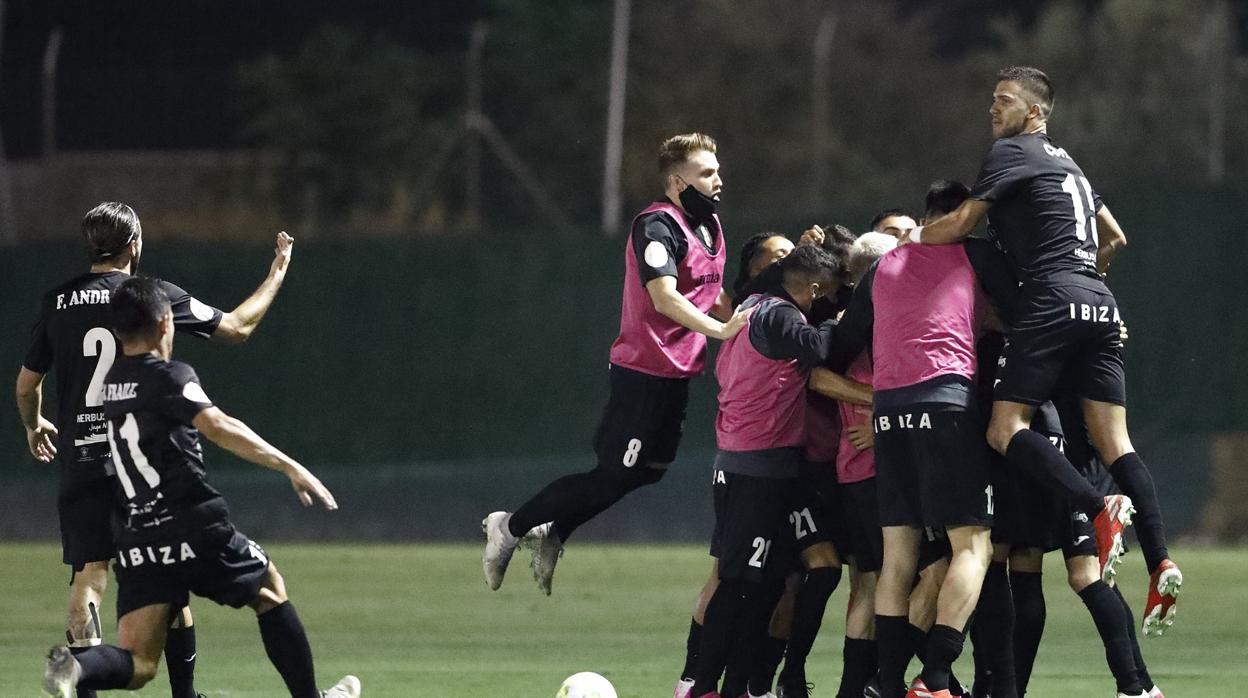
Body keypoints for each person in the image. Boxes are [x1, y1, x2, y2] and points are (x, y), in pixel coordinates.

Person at [902, 65, 1180, 636]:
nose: (993, 111)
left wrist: (907, 241)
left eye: (1003, 101)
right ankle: (1161, 558)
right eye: (993, 101)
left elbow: (959, 223)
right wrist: (1087, 289)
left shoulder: (1012, 153)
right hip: (1100, 302)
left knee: (1005, 428)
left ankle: (1098, 507)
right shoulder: (1070, 165)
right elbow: (1115, 238)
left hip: (1051, 298)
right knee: (1115, 442)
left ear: (1035, 113)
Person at [16, 202, 295, 698]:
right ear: (134, 245)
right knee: (168, 571)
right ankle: (185, 695)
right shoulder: (149, 296)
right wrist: (276, 274)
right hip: (141, 461)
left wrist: (34, 423)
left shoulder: (56, 300)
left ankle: (79, 682)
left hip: (82, 457)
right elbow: (236, 328)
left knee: (89, 575)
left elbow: (25, 385)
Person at [40, 276, 358, 698]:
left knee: (139, 663)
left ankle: (77, 666)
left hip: (139, 538)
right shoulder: (169, 376)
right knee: (269, 590)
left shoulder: (111, 386)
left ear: (118, 332)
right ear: (165, 323)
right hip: (192, 524)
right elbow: (218, 425)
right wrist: (288, 465)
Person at [483, 133, 751, 595]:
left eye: (717, 170)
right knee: (614, 472)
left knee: (647, 472)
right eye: (706, 173)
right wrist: (722, 331)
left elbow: (712, 293)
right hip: (643, 373)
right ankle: (509, 527)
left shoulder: (709, 226)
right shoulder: (656, 225)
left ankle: (553, 532)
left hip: (677, 374)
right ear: (675, 181)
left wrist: (741, 320)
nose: (718, 180)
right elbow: (664, 298)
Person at [688, 245, 842, 698]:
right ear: (813, 289)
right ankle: (703, 686)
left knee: (762, 582)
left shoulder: (754, 303)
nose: (823, 305)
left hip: (759, 466)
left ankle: (734, 685)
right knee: (739, 583)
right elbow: (818, 347)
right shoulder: (778, 315)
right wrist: (841, 317)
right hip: (756, 469)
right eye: (824, 296)